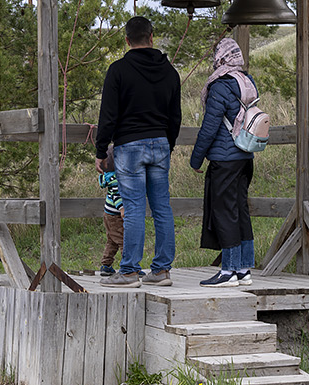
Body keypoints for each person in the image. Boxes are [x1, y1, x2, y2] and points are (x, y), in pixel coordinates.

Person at [95, 16, 182, 288]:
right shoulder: (170, 72)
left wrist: (101, 150)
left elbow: (108, 114)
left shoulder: (118, 70)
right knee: (162, 208)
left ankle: (130, 272)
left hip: (130, 146)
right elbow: (175, 116)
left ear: (127, 40)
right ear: (152, 37)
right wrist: (168, 143)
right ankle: (161, 270)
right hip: (160, 144)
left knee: (133, 209)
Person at [189, 37, 256, 287]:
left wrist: (197, 159)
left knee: (224, 212)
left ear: (221, 57)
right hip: (245, 156)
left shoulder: (220, 86)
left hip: (224, 159)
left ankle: (228, 271)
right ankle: (244, 269)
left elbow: (209, 127)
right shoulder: (247, 81)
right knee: (240, 210)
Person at [96, 152, 123, 277]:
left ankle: (106, 265)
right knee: (124, 240)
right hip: (116, 215)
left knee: (112, 240)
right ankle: (129, 266)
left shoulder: (107, 176)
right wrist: (122, 210)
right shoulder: (116, 180)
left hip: (108, 214)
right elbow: (117, 197)